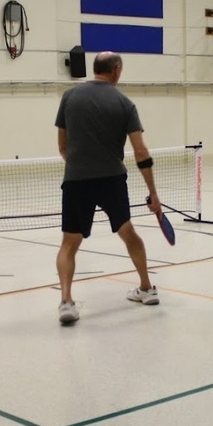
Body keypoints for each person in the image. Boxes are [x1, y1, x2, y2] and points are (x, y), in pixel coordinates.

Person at [54, 51, 162, 325]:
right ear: (116, 70)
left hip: (76, 179)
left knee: (69, 243)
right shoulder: (125, 104)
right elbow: (140, 152)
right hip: (112, 179)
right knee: (128, 233)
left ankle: (66, 302)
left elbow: (62, 146)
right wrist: (154, 194)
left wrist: (79, 166)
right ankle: (147, 289)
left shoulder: (69, 97)